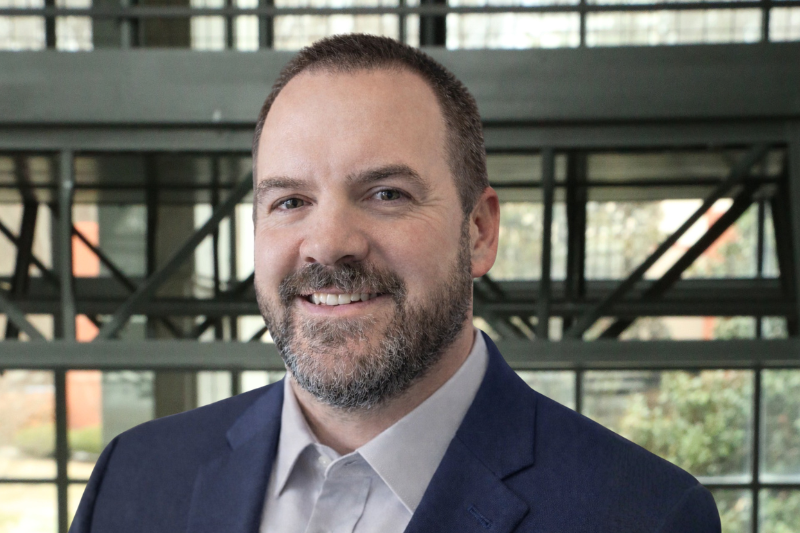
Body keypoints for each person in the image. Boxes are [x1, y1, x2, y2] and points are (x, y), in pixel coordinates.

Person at [70, 34, 721, 533]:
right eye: (290, 201)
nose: (327, 243)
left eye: (385, 192)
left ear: (479, 231)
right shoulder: (133, 481)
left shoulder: (644, 514)